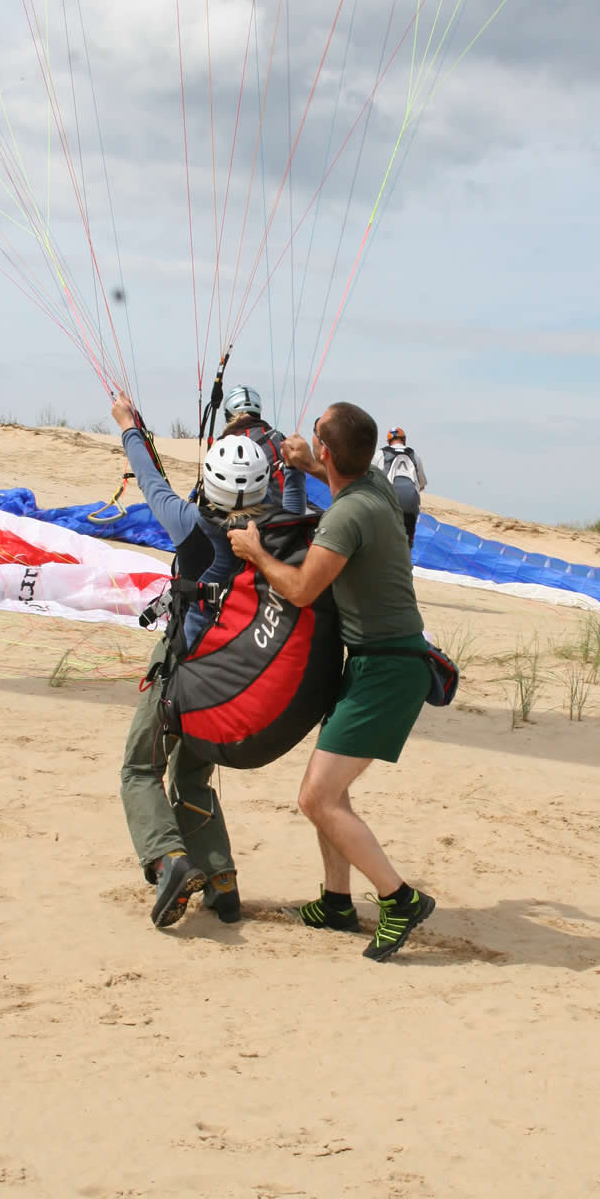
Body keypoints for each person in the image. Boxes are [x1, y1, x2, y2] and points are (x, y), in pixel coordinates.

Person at [227, 401, 436, 963]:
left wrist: (254, 551)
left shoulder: (345, 516)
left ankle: (399, 899)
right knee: (332, 790)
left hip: (387, 671)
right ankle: (337, 903)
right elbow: (340, 472)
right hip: (372, 663)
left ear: (325, 448)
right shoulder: (377, 486)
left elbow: (300, 589)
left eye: (316, 435)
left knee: (315, 798)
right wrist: (309, 464)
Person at [112, 391, 306, 930]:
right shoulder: (279, 531)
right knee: (192, 777)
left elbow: (150, 480)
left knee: (140, 767)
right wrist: (294, 469)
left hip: (181, 669)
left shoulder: (190, 524)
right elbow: (294, 501)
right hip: (229, 680)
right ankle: (221, 883)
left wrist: (128, 425)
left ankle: (168, 861)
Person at [220, 384, 287, 497]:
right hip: (293, 503)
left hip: (260, 503)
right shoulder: (279, 437)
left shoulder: (231, 444)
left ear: (228, 416)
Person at [372, 425, 427, 549]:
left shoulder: (380, 454)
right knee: (407, 543)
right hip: (410, 503)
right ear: (404, 439)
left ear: (389, 441)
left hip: (389, 502)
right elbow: (421, 485)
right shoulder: (414, 455)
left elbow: (371, 481)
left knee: (385, 541)